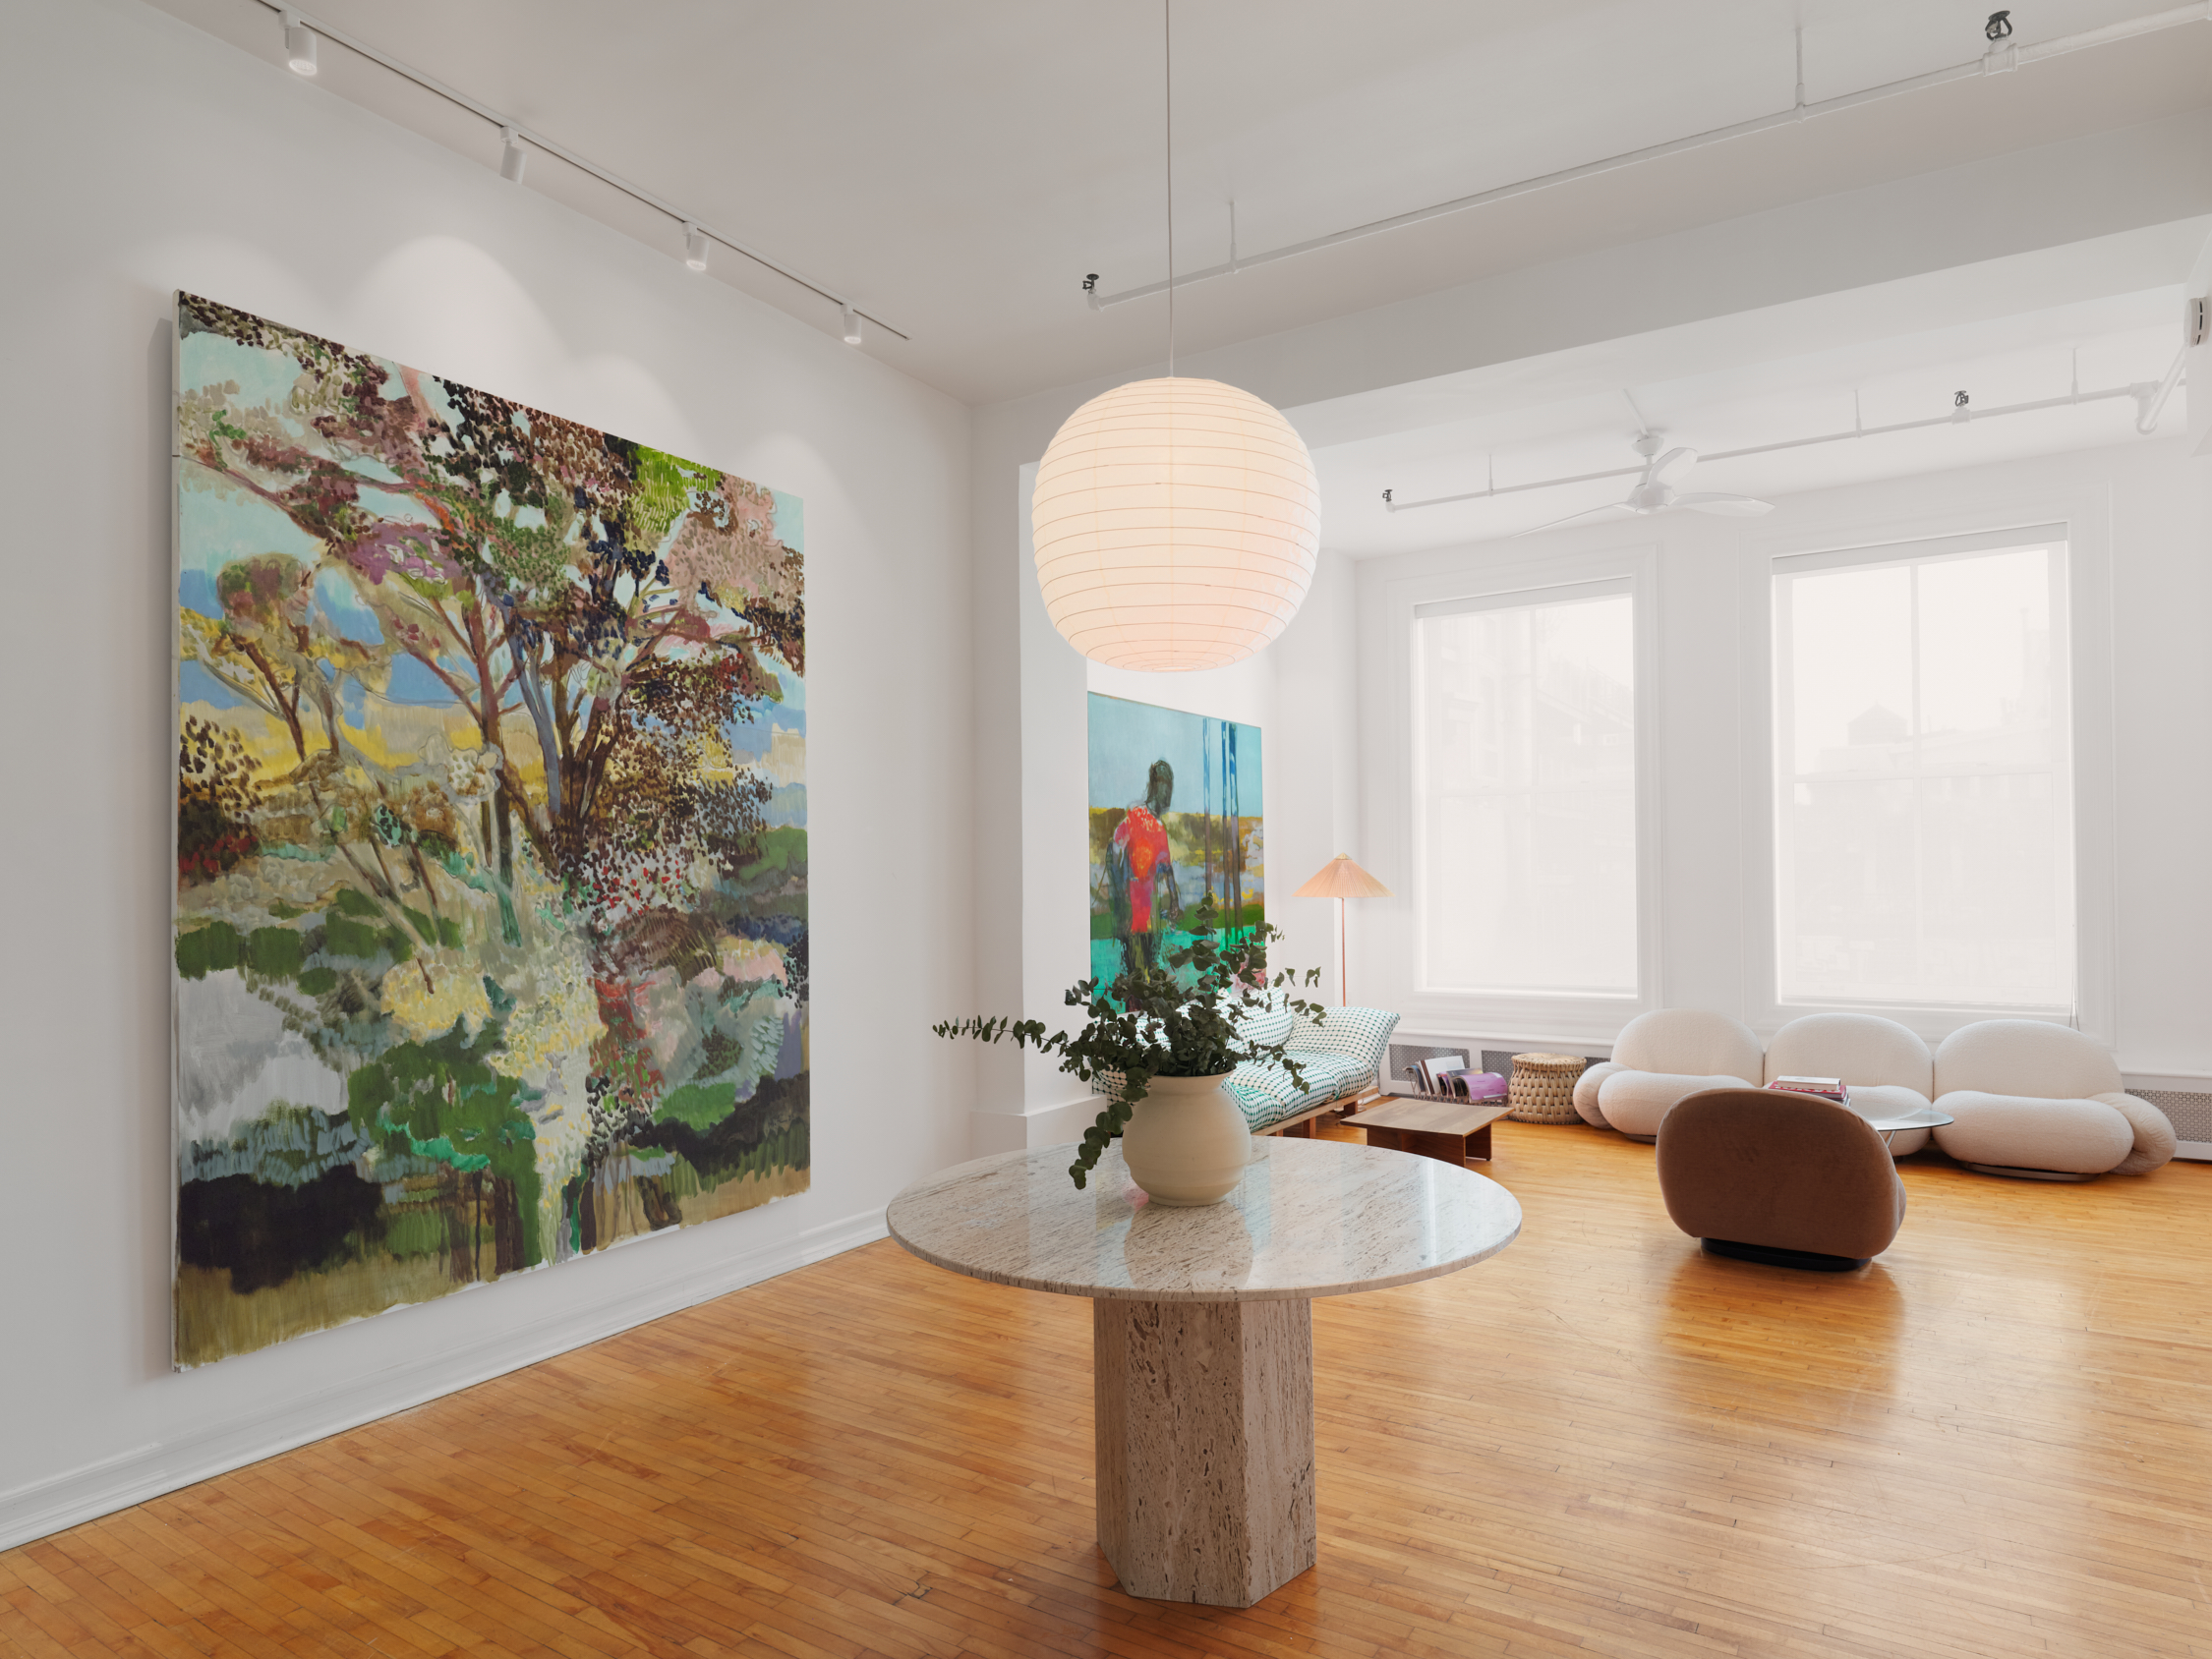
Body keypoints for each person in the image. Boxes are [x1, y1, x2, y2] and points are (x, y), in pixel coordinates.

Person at [1107, 760, 1181, 974]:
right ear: (1155, 786)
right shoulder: (1135, 816)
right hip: (1132, 920)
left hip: (1152, 921)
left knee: (1152, 977)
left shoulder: (1160, 829)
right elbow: (1113, 853)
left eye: (1170, 787)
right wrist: (1121, 902)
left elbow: (1167, 869)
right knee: (1136, 978)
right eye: (1165, 786)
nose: (1168, 795)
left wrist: (1174, 899)